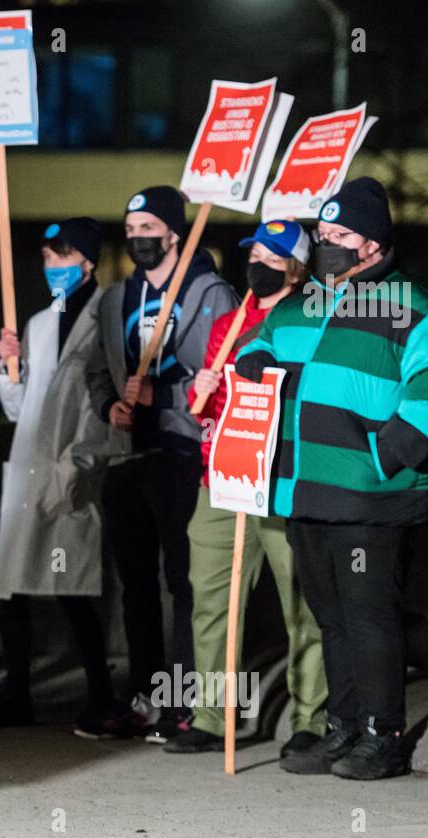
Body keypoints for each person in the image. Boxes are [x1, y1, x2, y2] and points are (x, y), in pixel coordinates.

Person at [235, 176, 428, 780]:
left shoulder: (418, 302)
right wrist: (255, 360)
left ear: (372, 244)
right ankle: (341, 728)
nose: (327, 243)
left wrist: (385, 455)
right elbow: (254, 344)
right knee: (330, 617)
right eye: (323, 232)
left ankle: (381, 736)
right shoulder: (302, 299)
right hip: (304, 487)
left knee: (369, 617)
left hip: (371, 493)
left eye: (342, 234)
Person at [161, 220, 329, 763]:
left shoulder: (316, 319)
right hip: (224, 479)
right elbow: (207, 413)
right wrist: (203, 393)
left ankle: (311, 718)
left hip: (282, 479)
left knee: (301, 600)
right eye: (253, 252)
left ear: (295, 267)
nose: (256, 261)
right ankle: (212, 714)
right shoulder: (230, 325)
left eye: (270, 255)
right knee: (211, 599)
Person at [85, 185, 240, 743]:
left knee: (185, 581)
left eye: (148, 228)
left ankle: (186, 701)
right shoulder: (115, 298)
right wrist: (112, 404)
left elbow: (223, 376)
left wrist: (163, 398)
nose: (137, 239)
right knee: (135, 585)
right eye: (130, 230)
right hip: (128, 457)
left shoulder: (209, 293)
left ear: (174, 232)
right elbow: (97, 368)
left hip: (183, 455)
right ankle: (147, 697)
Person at [0, 217, 121, 737]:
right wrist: (7, 366)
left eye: (62, 257)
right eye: (47, 257)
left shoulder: (108, 319)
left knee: (73, 584)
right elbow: (18, 407)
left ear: (86, 262)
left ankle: (101, 694)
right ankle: (17, 691)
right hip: (31, 460)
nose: (52, 266)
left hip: (77, 463)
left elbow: (103, 400)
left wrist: (81, 461)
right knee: (13, 583)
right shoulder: (37, 324)